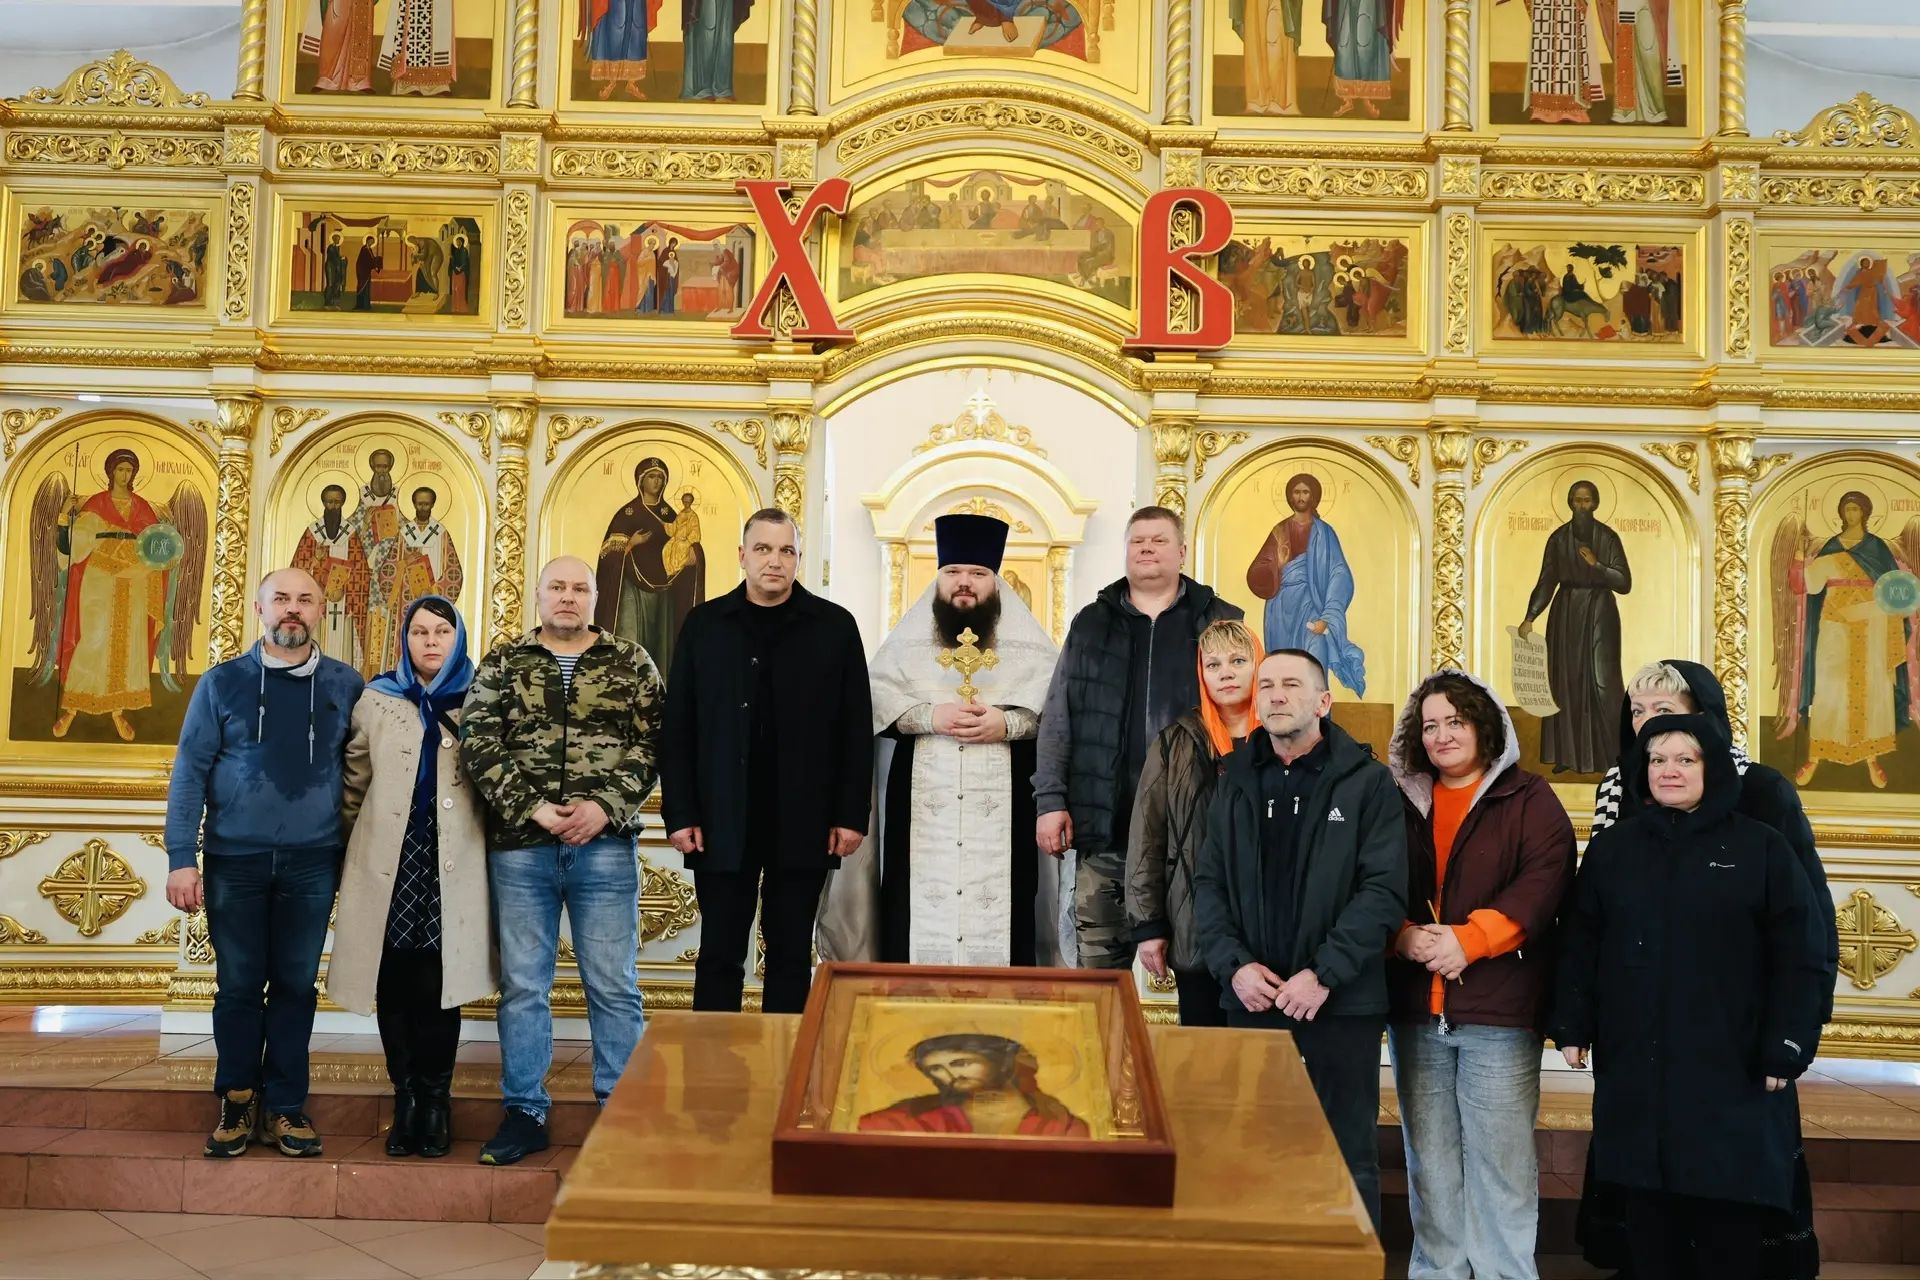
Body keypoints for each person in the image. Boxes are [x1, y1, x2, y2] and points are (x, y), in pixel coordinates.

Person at [1580, 658, 1835, 1280]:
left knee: (1732, 1187)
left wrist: (1791, 1031)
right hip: (1646, 1029)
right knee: (1646, 1189)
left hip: (1733, 1023)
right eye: (1638, 711)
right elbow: (1594, 919)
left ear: (1704, 722)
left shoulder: (1762, 790)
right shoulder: (1621, 786)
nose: (1647, 724)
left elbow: (1804, 923)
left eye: (1664, 711)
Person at [1191, 648, 1406, 1231]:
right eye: (1266, 686)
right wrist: (1234, 967)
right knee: (1256, 1150)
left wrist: (1323, 974)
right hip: (1253, 998)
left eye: (1291, 685)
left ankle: (1346, 1268)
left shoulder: (1368, 783)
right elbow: (1208, 884)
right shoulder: (1234, 779)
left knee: (1345, 1154)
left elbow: (1383, 891)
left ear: (1324, 701)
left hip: (1340, 1001)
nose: (1276, 695)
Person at [461, 556, 663, 1166]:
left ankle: (621, 1114)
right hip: (522, 849)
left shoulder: (631, 661)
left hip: (605, 847)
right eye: (557, 587)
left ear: (596, 596)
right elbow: (479, 739)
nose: (568, 597)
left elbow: (653, 741)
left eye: (580, 588)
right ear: (540, 596)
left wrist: (603, 807)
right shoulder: (504, 661)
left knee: (613, 984)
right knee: (524, 986)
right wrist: (534, 810)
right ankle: (524, 1112)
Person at [163, 568, 365, 1159]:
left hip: (314, 860)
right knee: (239, 985)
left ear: (320, 610)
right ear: (260, 609)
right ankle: (237, 1099)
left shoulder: (346, 684)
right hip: (235, 859)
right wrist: (181, 857)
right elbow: (190, 771)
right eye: (281, 599)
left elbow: (364, 773)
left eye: (305, 599)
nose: (292, 609)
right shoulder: (222, 683)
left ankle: (285, 1105)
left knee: (297, 985)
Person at [1385, 669, 1576, 1279]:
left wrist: (1470, 940)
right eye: (1430, 725)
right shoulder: (1395, 800)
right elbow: (1368, 881)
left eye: (1456, 721)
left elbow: (1544, 882)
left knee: (1501, 1163)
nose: (1442, 735)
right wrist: (1402, 936)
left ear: (1485, 727)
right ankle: (1437, 1271)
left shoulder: (1529, 798)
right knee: (1430, 1163)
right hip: (1416, 1010)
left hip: (1499, 1010)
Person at [822, 514, 1058, 967]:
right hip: (920, 807)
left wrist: (1007, 724)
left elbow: (1055, 711)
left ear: (996, 582)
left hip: (1007, 807)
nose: (964, 582)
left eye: (977, 573)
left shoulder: (1030, 648)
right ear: (938, 579)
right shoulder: (907, 645)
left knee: (1011, 905)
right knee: (909, 906)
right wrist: (930, 716)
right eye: (952, 572)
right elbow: (875, 704)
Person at [661, 510, 873, 1014]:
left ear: (798, 558)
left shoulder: (835, 627)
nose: (774, 561)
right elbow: (678, 726)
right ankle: (715, 1061)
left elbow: (855, 728)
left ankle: (786, 1059)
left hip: (804, 817)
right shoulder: (704, 625)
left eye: (786, 551)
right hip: (720, 816)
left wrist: (850, 815)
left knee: (791, 955)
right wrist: (681, 813)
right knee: (719, 953)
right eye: (763, 549)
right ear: (742, 555)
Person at [1035, 506, 1242, 969]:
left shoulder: (1219, 620)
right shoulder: (1091, 622)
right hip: (1105, 826)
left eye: (1159, 540)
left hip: (1192, 832)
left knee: (1202, 968)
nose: (1146, 548)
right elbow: (1058, 715)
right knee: (1098, 973)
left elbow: (1245, 711)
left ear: (1182, 552)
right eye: (1137, 541)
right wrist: (1049, 801)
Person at [332, 596, 497, 1159]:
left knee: (437, 982)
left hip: (453, 863)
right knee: (395, 978)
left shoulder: (483, 696)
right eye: (420, 632)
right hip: (390, 862)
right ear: (405, 639)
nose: (430, 641)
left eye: (442, 632)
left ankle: (436, 1101)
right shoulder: (377, 698)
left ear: (458, 638)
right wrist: (345, 857)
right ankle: (405, 1098)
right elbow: (353, 785)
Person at [1125, 619, 1263, 1027]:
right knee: (1205, 1054)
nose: (1226, 673)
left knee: (1263, 1056)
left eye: (1238, 661)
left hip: (1268, 934)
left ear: (1260, 665)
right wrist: (1148, 926)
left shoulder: (1282, 737)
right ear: (1201, 674)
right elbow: (1147, 837)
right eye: (1213, 664)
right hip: (1194, 925)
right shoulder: (1175, 742)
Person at [1518, 480, 1632, 774]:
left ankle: (1611, 755)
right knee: (1565, 681)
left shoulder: (1608, 537)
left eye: (1587, 500)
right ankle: (1567, 755)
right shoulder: (1558, 539)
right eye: (1577, 500)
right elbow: (1546, 580)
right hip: (1566, 613)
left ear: (1595, 504)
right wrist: (1530, 616)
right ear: (1570, 503)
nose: (1582, 506)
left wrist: (1597, 566)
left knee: (1602, 680)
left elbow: (1624, 582)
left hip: (1600, 612)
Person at [1245, 471, 1366, 695]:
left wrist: (1327, 616)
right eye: (1296, 492)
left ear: (1314, 496)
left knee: (1315, 662)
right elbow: (1258, 570)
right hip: (1281, 609)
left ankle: (1317, 714)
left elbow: (1339, 574)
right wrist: (1277, 565)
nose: (1300, 497)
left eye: (1305, 492)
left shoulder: (1324, 533)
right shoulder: (1279, 531)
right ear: (1290, 496)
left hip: (1312, 605)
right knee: (1282, 668)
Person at [856, 1034, 1090, 1136]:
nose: (951, 1075)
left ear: (1000, 1062)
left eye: (962, 1063)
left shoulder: (1059, 1123)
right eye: (935, 1069)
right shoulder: (913, 1117)